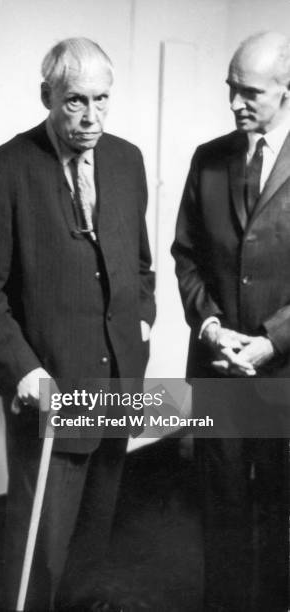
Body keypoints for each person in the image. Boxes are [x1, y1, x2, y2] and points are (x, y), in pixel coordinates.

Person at [0, 38, 155, 612]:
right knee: (40, 547)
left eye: (101, 99)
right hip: (51, 390)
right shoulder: (4, 170)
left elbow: (139, 263)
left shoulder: (127, 159)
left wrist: (141, 319)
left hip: (120, 382)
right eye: (75, 101)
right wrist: (22, 371)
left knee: (95, 531)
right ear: (46, 95)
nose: (91, 116)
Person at [171, 31, 290, 612]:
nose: (236, 103)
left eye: (250, 92)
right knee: (220, 510)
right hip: (218, 371)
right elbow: (186, 256)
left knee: (279, 512)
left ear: (286, 91)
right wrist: (212, 326)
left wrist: (272, 342)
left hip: (282, 378)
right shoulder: (208, 158)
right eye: (230, 89)